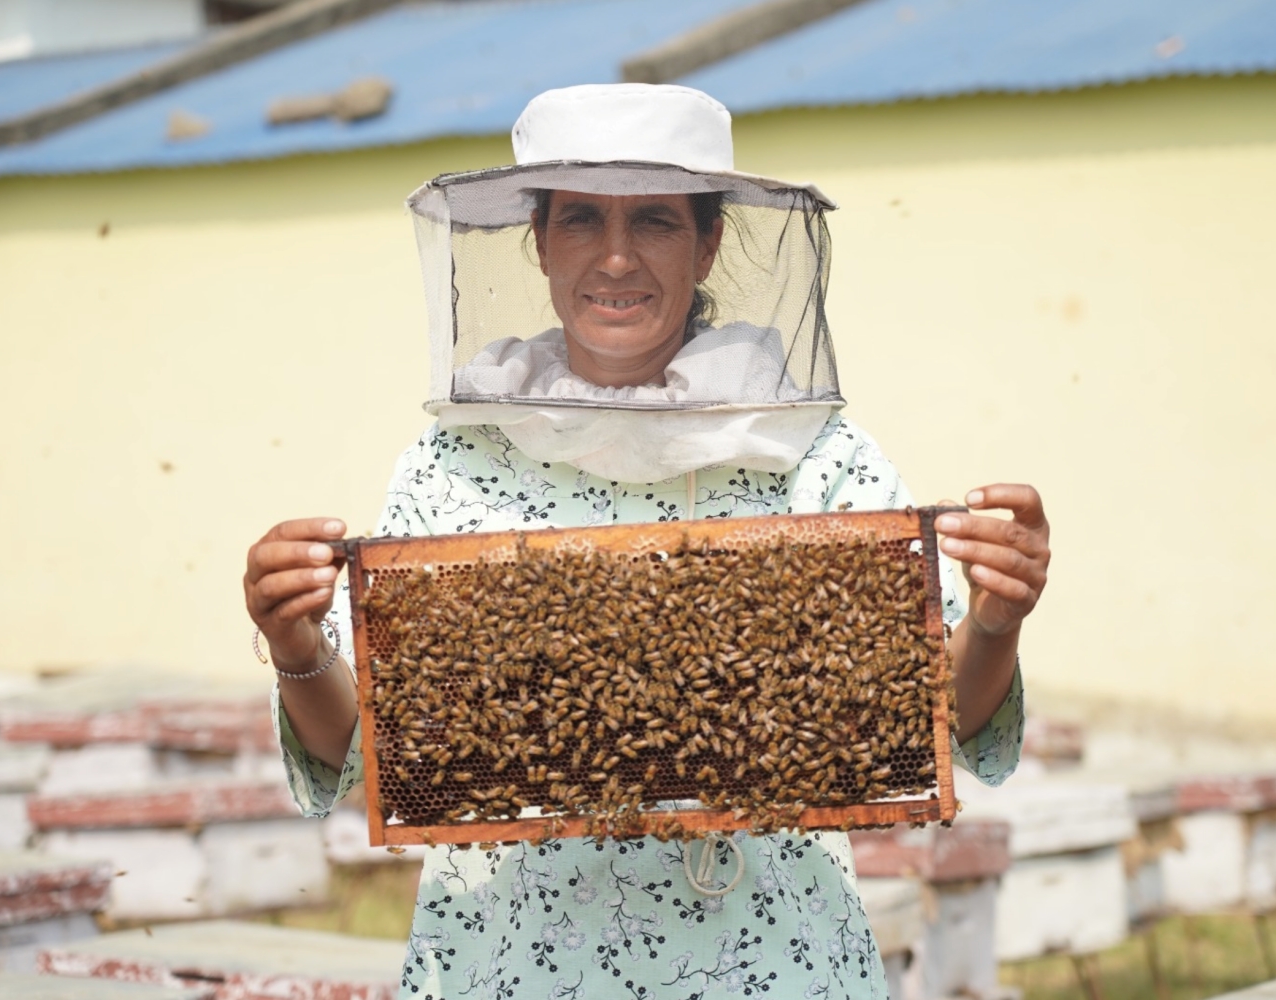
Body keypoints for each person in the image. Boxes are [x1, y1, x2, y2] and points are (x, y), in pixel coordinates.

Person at [244, 84, 1050, 999]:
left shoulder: (809, 450)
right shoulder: (451, 464)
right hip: (511, 961)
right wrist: (296, 645)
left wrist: (995, 620)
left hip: (771, 959)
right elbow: (360, 749)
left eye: (657, 221)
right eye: (581, 219)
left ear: (708, 242)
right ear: (539, 241)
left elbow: (940, 720)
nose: (616, 256)